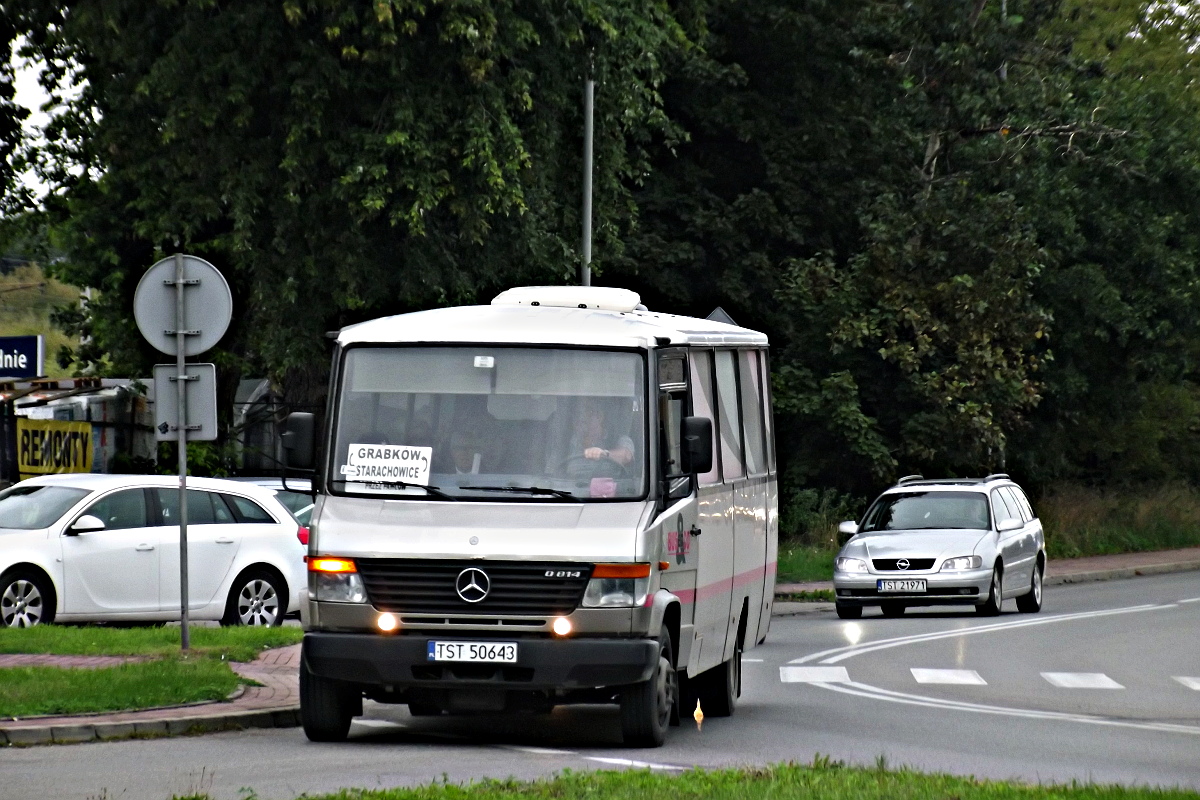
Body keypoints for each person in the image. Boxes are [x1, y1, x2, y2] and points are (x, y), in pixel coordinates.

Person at [567, 397, 634, 468]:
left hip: (610, 478)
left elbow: (626, 456)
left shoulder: (619, 439)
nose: (582, 417)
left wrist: (604, 454)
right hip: (571, 479)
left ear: (599, 416)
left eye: (588, 412)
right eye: (578, 415)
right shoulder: (569, 443)